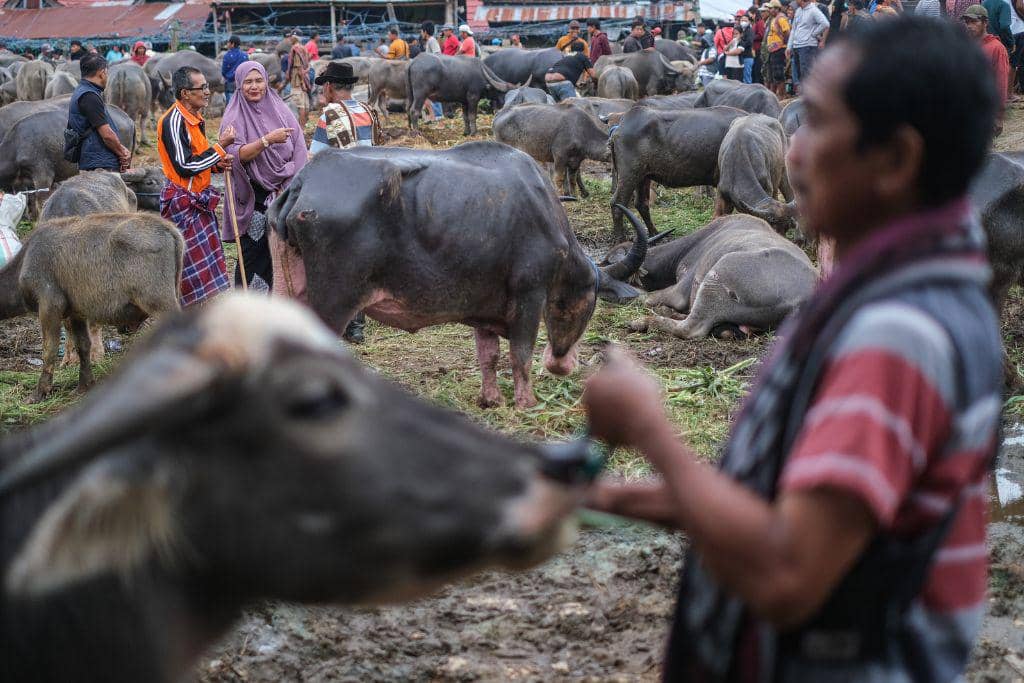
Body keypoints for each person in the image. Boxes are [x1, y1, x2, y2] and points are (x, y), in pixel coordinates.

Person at [584, 16, 1002, 681]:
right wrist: (594, 497)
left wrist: (647, 429)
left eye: (818, 124)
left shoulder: (897, 339)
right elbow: (773, 502)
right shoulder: (901, 295)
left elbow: (786, 571)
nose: (794, 153)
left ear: (895, 159)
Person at [277, 61, 381, 343]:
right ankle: (358, 325)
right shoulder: (369, 111)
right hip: (370, 192)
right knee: (361, 258)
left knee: (339, 260)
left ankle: (339, 321)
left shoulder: (331, 115)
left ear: (329, 87)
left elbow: (317, 158)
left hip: (343, 194)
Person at [218, 61, 304, 294]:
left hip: (284, 193)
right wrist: (267, 140)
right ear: (239, 85)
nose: (254, 86)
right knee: (254, 254)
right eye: (248, 82)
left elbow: (299, 147)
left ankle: (276, 306)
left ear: (266, 82)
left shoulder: (281, 109)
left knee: (281, 253)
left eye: (259, 81)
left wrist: (293, 183)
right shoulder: (233, 116)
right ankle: (247, 308)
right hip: (254, 197)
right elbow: (234, 155)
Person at [156, 66, 235, 308]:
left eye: (206, 86)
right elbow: (183, 166)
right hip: (183, 201)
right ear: (185, 93)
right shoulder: (173, 121)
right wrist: (220, 148)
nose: (207, 92)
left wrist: (216, 165)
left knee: (203, 267)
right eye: (201, 88)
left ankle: (201, 314)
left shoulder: (196, 120)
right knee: (188, 266)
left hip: (198, 199)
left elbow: (197, 157)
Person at [66, 54, 132, 173]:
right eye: (106, 73)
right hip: (99, 164)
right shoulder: (90, 96)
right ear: (102, 73)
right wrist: (122, 153)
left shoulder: (82, 91)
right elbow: (106, 135)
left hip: (93, 159)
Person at [964, 4, 1010, 133]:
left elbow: (1001, 83)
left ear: (985, 23)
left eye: (974, 21)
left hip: (985, 111)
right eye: (967, 22)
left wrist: (999, 116)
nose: (969, 26)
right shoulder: (967, 45)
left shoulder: (997, 48)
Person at [786, 0, 830, 93]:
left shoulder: (814, 10)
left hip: (808, 45)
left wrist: (813, 34)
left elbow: (825, 24)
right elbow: (794, 29)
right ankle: (804, 95)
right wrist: (789, 46)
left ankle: (809, 95)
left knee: (806, 73)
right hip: (797, 45)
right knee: (798, 73)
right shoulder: (798, 11)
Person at [765, 0, 791, 96]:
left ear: (777, 8)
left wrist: (783, 45)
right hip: (774, 50)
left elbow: (787, 32)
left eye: (771, 8)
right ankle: (776, 95)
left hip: (779, 50)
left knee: (779, 74)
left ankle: (781, 96)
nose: (769, 10)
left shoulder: (781, 18)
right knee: (774, 75)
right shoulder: (774, 18)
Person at [286, 32, 311, 126]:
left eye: (291, 37)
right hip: (304, 79)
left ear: (294, 38)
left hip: (297, 81)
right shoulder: (303, 48)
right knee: (305, 105)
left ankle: (301, 128)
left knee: (300, 106)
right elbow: (307, 66)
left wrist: (302, 83)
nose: (289, 39)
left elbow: (299, 68)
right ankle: (303, 127)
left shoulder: (295, 49)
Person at [221, 35, 247, 104]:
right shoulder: (245, 55)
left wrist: (226, 76)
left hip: (230, 82)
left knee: (231, 104)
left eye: (228, 42)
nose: (227, 44)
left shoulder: (227, 56)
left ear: (232, 44)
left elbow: (224, 71)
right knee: (243, 104)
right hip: (243, 83)